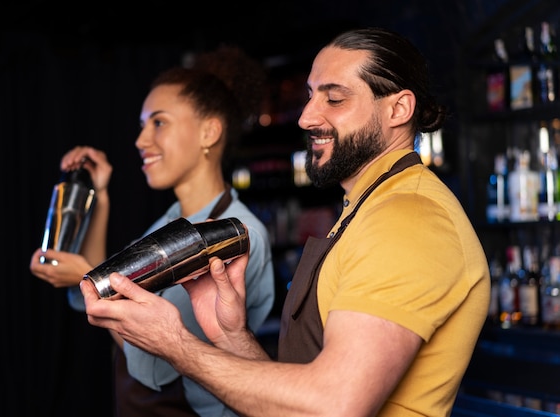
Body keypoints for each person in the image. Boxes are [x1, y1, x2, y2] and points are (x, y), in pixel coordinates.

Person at [79, 26, 491, 417]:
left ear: (398, 109)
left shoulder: (408, 220)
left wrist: (176, 344)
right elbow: (299, 400)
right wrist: (232, 336)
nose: (306, 117)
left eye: (334, 99)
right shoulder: (368, 207)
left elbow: (334, 405)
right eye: (311, 96)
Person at [29, 46, 275, 417]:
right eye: (143, 126)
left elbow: (153, 358)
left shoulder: (237, 237)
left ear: (209, 131)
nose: (141, 141)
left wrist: (86, 282)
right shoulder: (171, 223)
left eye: (158, 123)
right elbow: (109, 280)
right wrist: (102, 196)